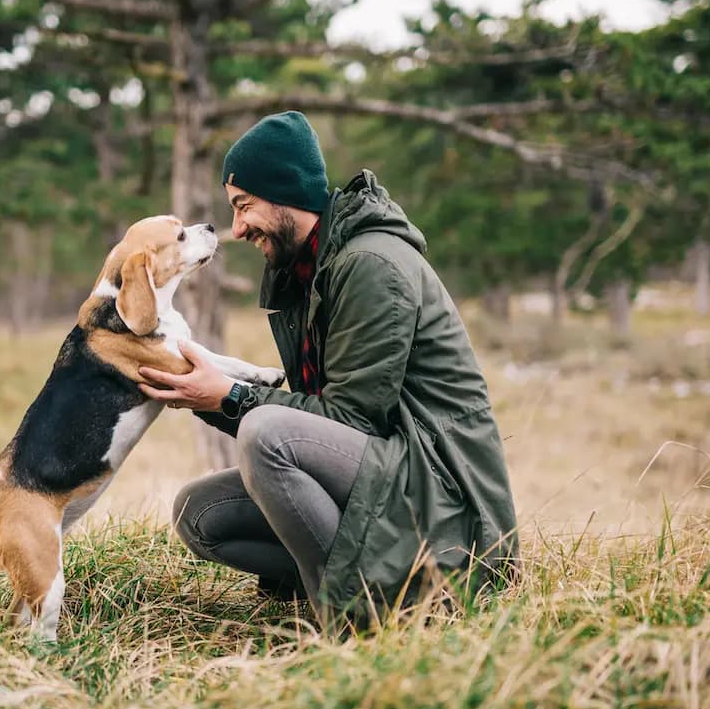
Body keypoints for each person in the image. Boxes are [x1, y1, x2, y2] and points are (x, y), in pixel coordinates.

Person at [138, 110, 518, 626]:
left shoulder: (371, 265)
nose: (237, 228)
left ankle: (351, 619)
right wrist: (209, 394)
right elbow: (319, 419)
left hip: (449, 512)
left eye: (243, 206)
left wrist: (231, 396)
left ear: (285, 191)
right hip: (392, 477)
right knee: (199, 514)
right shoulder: (311, 269)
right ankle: (388, 594)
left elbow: (351, 420)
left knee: (265, 433)